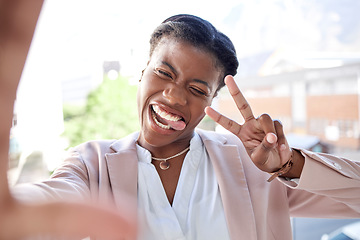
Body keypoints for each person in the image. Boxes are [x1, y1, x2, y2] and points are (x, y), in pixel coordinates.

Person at [2, 10, 360, 240]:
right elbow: (49, 197)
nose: (174, 97)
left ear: (211, 101)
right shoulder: (92, 165)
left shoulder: (255, 168)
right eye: (164, 73)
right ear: (142, 73)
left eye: (196, 89)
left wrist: (288, 164)